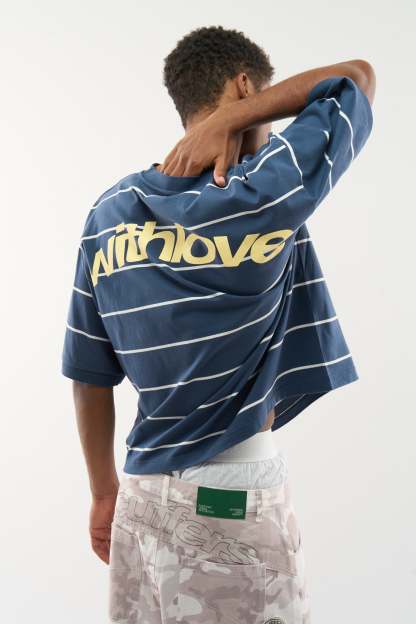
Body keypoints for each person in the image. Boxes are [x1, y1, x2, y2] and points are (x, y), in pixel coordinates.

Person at [61, 25, 376, 624]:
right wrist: (234, 121)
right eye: (266, 110)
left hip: (140, 495)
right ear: (245, 86)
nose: (273, 130)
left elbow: (88, 375)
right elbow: (355, 80)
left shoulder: (108, 215)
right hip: (232, 494)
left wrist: (103, 494)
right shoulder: (262, 191)